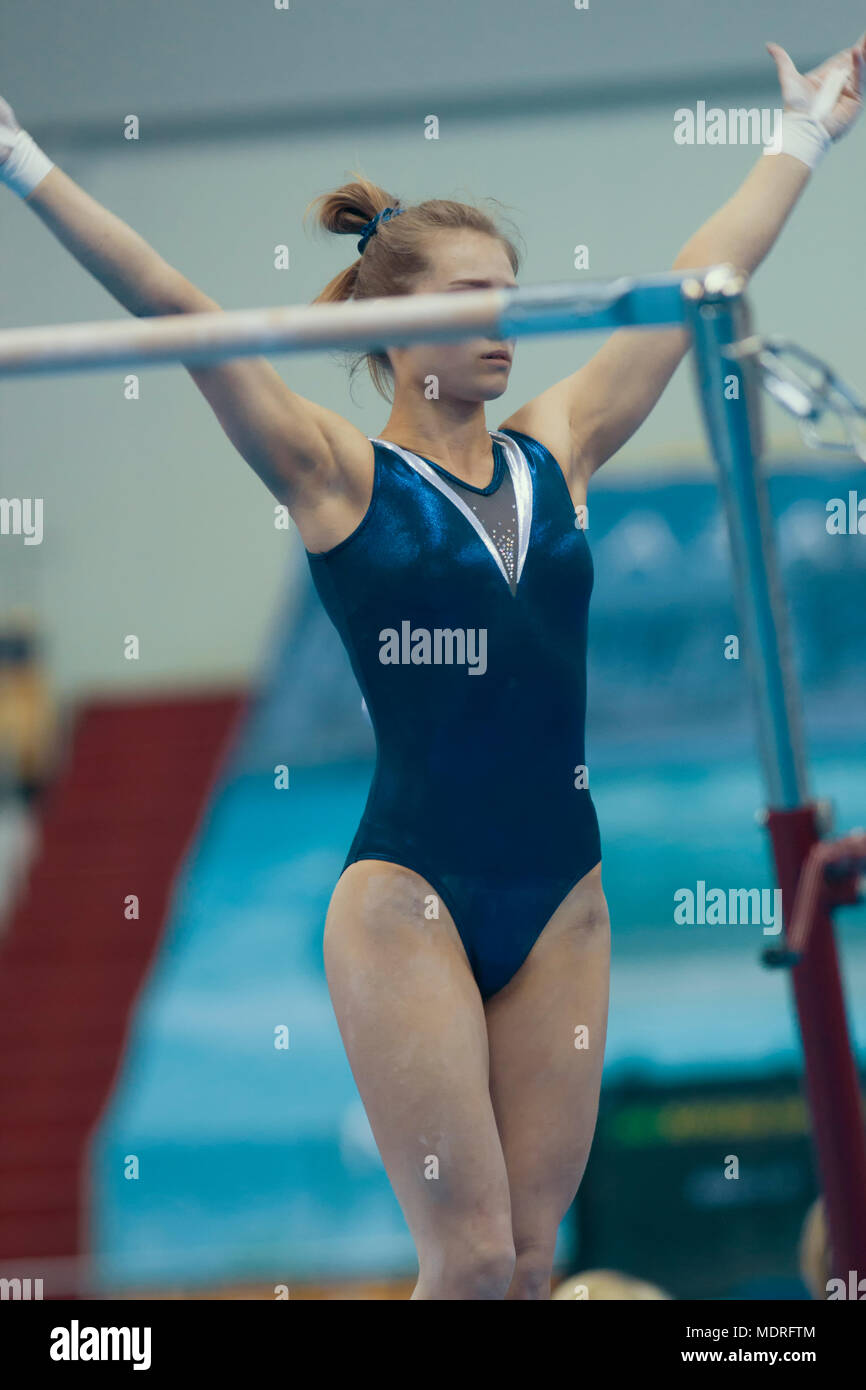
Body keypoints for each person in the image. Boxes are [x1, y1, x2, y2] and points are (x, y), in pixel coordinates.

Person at [2, 35, 862, 1299]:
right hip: (409, 900)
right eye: (467, 300)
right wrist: (22, 161)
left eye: (508, 295)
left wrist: (800, 137)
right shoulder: (337, 477)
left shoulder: (552, 449)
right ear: (402, 333)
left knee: (526, 1258)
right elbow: (177, 310)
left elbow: (696, 281)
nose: (500, 323)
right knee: (460, 1257)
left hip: (564, 897)